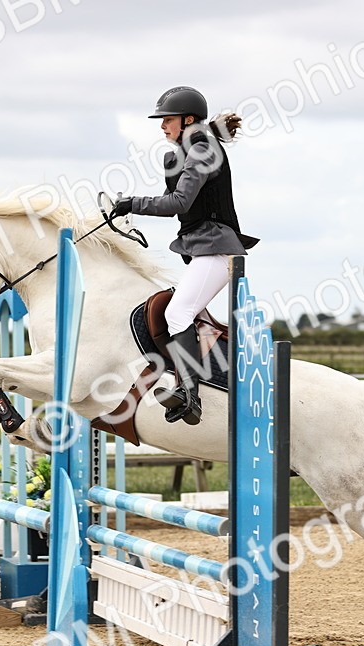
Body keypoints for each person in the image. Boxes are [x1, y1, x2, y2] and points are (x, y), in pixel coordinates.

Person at [111, 86, 258, 425]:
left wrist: (133, 203)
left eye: (168, 120)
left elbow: (179, 203)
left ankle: (190, 395)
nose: (162, 126)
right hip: (206, 251)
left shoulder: (203, 148)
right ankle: (186, 388)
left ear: (187, 120)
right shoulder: (184, 152)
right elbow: (171, 200)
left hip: (219, 250)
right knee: (177, 312)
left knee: (178, 313)